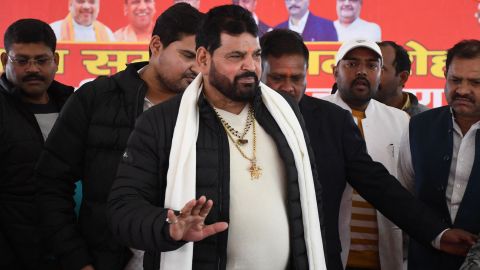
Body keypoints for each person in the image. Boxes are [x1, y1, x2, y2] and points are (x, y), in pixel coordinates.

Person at [108, 5, 327, 270]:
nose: (250, 67)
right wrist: (170, 226)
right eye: (235, 56)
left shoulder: (285, 112)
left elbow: (309, 201)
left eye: (255, 55)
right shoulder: (162, 122)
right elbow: (123, 209)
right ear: (203, 59)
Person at [260, 29, 478, 270]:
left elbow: (380, 186)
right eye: (278, 78)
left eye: (297, 78)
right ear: (259, 71)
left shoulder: (332, 121)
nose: (288, 88)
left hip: (319, 258)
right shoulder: (232, 118)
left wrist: (438, 233)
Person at [36, 4, 203, 270]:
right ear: (156, 45)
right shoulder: (96, 98)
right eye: (187, 55)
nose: (196, 69)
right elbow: (50, 183)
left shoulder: (208, 110)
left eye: (203, 59)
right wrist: (77, 260)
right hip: (106, 259)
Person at [398, 39, 480, 270]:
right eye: (455, 80)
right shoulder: (418, 126)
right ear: (445, 75)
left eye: (475, 82)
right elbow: (406, 199)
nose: (463, 90)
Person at [0, 19, 73, 270]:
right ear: (4, 61)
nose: (32, 68)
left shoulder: (74, 106)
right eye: (21, 60)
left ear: (56, 61)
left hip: (68, 250)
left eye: (41, 60)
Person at [375, 41, 429, 116]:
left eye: (378, 69)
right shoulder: (353, 116)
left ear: (402, 78)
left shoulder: (429, 120)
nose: (367, 74)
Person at [50, 0, 115, 42]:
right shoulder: (53, 31)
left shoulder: (107, 34)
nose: (86, 6)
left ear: (98, 7)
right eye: (81, 1)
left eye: (92, 2)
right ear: (70, 4)